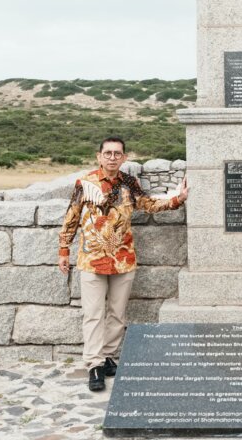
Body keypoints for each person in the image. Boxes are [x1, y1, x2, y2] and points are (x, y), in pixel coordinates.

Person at [58, 137, 188, 392]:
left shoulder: (129, 183)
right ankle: (94, 364)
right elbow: (71, 216)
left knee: (117, 313)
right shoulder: (85, 183)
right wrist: (64, 249)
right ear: (99, 156)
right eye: (107, 153)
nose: (112, 157)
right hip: (92, 258)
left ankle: (108, 356)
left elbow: (148, 204)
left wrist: (177, 198)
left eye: (117, 153)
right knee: (93, 314)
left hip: (122, 258)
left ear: (124, 158)